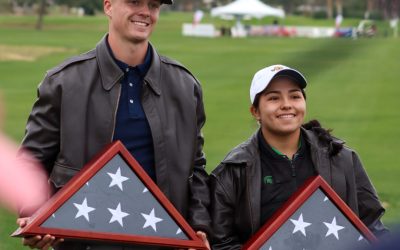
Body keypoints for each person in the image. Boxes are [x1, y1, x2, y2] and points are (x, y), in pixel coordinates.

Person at [16, 0, 210, 249]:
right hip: (84, 242)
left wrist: (199, 226)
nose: (145, 12)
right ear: (108, 6)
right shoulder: (63, 82)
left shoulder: (185, 86)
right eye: (134, 2)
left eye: (153, 5)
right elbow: (32, 162)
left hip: (163, 242)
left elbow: (196, 169)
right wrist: (34, 215)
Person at [209, 64, 388, 249]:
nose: (286, 104)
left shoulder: (342, 158)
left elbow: (372, 227)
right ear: (255, 112)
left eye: (295, 96)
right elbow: (221, 242)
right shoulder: (232, 171)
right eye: (273, 98)